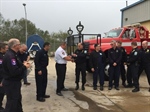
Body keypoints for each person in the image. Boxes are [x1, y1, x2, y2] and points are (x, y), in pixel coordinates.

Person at [2, 38, 30, 112]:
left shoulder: (14, 54)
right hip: (11, 83)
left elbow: (17, 66)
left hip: (15, 83)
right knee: (12, 103)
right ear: (15, 46)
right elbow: (14, 72)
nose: (20, 46)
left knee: (17, 101)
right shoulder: (11, 56)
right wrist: (24, 67)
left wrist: (23, 64)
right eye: (19, 44)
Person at [0, 42, 8, 111]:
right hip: (1, 78)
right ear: (2, 49)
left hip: (3, 77)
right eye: (6, 48)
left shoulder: (3, 55)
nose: (7, 50)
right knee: (1, 92)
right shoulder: (0, 56)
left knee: (2, 92)